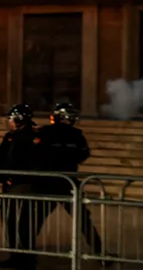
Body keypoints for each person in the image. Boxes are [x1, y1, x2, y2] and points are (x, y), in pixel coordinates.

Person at [34, 103, 103, 259]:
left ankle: (25, 253)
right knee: (82, 220)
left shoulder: (48, 133)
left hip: (56, 181)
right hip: (60, 181)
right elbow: (83, 154)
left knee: (38, 218)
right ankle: (98, 251)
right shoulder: (71, 134)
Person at [0, 103, 41, 270]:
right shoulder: (11, 136)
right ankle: (15, 256)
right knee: (10, 222)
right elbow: (1, 156)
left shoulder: (32, 137)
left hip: (24, 185)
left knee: (24, 224)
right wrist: (4, 176)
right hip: (10, 185)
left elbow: (31, 161)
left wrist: (15, 176)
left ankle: (27, 261)